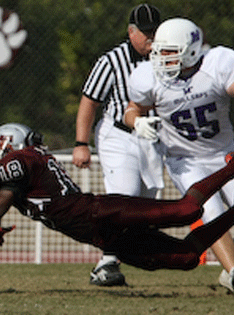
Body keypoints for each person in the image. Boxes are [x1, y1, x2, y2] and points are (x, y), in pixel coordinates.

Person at [0, 123, 234, 293]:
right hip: (104, 236)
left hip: (100, 213)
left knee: (187, 210)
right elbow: (4, 160)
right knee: (187, 258)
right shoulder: (22, 158)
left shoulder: (18, 161)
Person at [123, 17, 234, 296]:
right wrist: (137, 122)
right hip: (185, 160)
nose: (162, 57)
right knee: (213, 215)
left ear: (192, 50)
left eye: (170, 51)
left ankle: (231, 272)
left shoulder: (215, 66)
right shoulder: (150, 78)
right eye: (160, 50)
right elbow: (132, 108)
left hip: (224, 156)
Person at [72, 3, 163, 287]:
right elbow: (89, 101)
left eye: (155, 32)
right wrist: (81, 143)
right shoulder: (111, 61)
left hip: (152, 138)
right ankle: (106, 262)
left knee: (146, 205)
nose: (151, 38)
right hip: (119, 136)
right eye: (145, 33)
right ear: (130, 32)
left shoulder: (166, 56)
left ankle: (133, 254)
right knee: (124, 195)